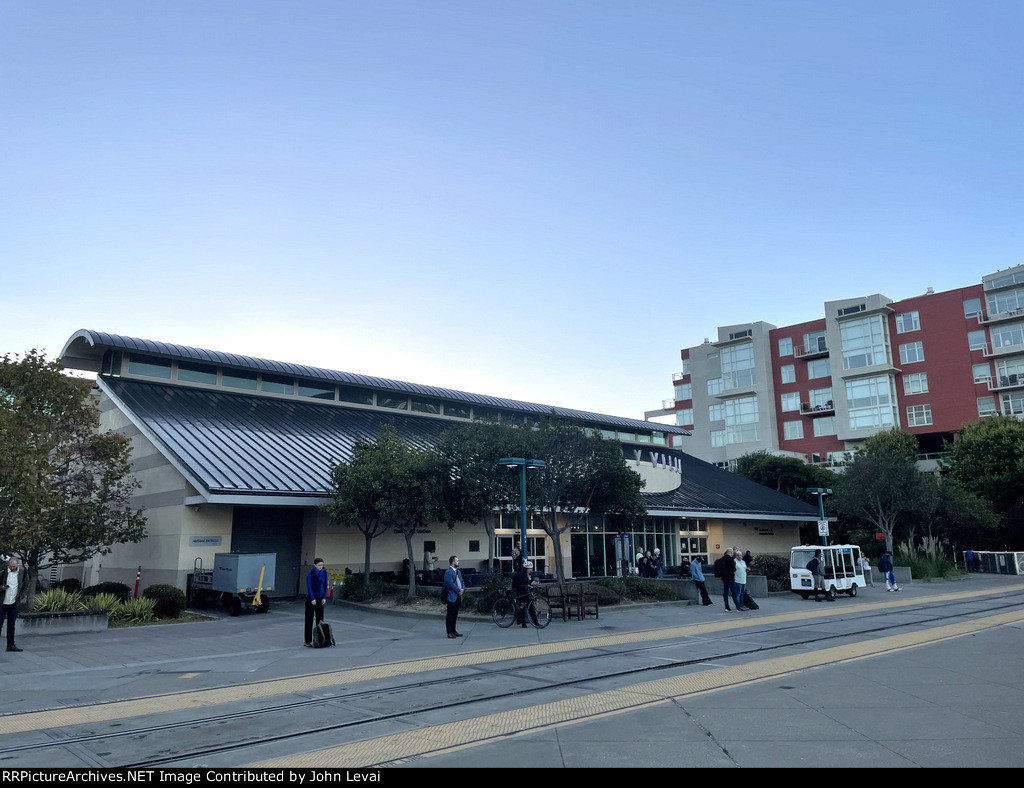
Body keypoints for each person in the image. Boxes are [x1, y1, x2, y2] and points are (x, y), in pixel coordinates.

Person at [1, 556, 28, 653]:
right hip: (2, 603)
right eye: (11, 566)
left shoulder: (22, 572)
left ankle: (10, 645)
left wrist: (21, 597)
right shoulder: (3, 572)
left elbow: (26, 585)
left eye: (14, 566)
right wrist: (2, 588)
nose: (12, 568)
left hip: (14, 603)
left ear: (17, 565)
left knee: (11, 625)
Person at [304, 557, 329, 647]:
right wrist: (312, 598)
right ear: (315, 565)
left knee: (320, 619)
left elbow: (326, 584)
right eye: (319, 565)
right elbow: (309, 586)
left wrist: (325, 597)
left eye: (322, 565)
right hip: (311, 599)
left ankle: (320, 638)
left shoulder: (324, 572)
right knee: (309, 619)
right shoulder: (311, 573)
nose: (320, 567)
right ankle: (307, 640)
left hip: (320, 598)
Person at [512, 559, 540, 627]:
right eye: (529, 568)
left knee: (531, 608)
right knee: (522, 607)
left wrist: (535, 583)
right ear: (526, 569)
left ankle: (536, 623)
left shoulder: (530, 575)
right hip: (521, 593)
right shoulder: (521, 575)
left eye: (531, 568)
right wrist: (528, 585)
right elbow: (522, 583)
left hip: (526, 593)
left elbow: (531, 582)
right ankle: (522, 622)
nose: (531, 570)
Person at [444, 555, 465, 638]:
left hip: (458, 596)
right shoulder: (448, 572)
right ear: (452, 562)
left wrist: (462, 589)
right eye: (457, 561)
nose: (458, 562)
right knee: (450, 615)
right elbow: (450, 584)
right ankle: (449, 632)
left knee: (455, 614)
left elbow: (462, 581)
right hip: (452, 596)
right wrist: (458, 590)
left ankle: (454, 630)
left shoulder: (458, 572)